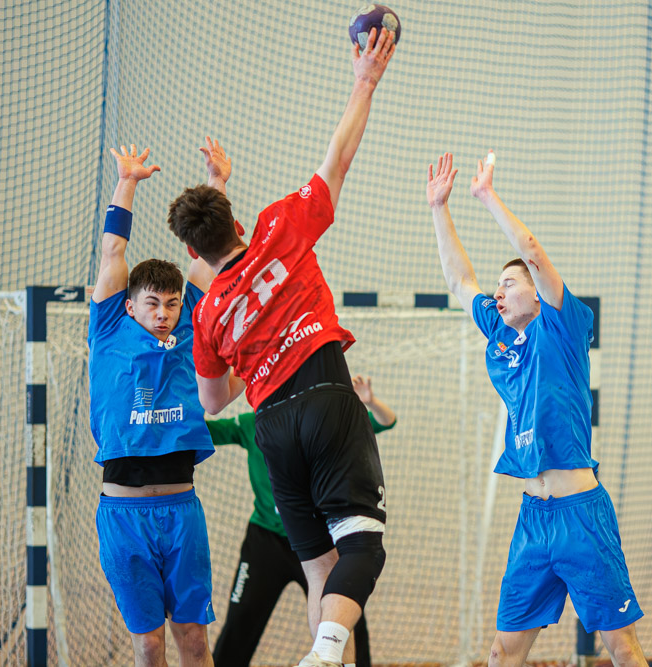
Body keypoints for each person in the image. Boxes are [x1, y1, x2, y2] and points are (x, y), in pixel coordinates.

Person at [165, 27, 396, 667]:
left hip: (273, 428)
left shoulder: (208, 313)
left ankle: (325, 657)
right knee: (362, 548)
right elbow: (337, 159)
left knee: (319, 565)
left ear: (193, 251)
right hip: (325, 397)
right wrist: (365, 80)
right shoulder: (278, 224)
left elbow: (214, 401)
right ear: (236, 219)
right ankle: (324, 654)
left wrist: (253, 360)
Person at [425, 151, 649, 667]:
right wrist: (439, 208)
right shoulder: (501, 335)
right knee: (502, 651)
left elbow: (531, 251)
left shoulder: (562, 326)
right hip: (533, 520)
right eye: (498, 287)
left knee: (621, 646)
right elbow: (460, 281)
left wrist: (486, 197)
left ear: (535, 290)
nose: (498, 293)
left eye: (509, 284)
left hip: (581, 516)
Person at [88, 144, 219, 667]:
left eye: (171, 303)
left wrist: (216, 182)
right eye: (152, 303)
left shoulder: (188, 324)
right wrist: (128, 182)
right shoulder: (108, 327)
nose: (163, 313)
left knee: (193, 639)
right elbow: (113, 253)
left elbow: (209, 254)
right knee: (148, 644)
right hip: (123, 515)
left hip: (182, 511)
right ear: (129, 305)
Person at [210, 376, 397, 667]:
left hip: (318, 539)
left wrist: (370, 402)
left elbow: (387, 421)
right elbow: (205, 430)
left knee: (344, 611)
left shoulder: (322, 421)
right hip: (266, 541)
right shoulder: (251, 424)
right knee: (240, 619)